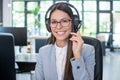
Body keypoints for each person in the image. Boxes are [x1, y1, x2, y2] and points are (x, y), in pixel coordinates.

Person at [35, 2, 95, 80]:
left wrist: (77, 56)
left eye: (64, 21)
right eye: (53, 22)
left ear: (74, 23)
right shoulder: (43, 52)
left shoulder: (88, 50)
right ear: (48, 26)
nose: (59, 26)